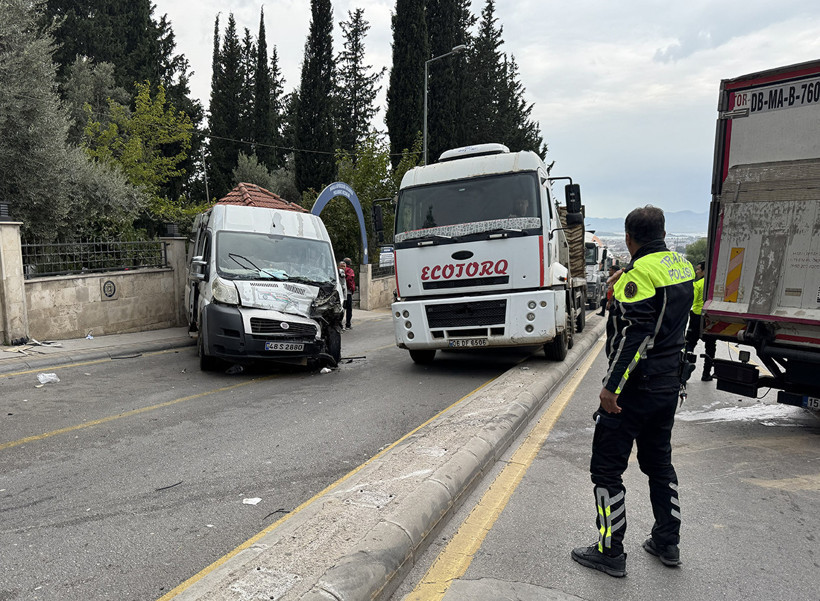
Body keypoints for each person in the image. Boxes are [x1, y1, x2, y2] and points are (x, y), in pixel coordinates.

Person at [571, 205, 694, 578]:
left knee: (606, 471)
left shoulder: (638, 277)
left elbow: (635, 337)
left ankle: (610, 551)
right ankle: (667, 541)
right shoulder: (680, 267)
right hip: (668, 386)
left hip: (635, 391)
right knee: (660, 465)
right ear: (663, 232)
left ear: (628, 237)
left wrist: (612, 388)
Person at [685, 261, 716, 381]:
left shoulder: (697, 285)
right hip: (710, 318)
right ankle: (706, 374)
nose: (696, 271)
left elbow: (690, 301)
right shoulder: (713, 284)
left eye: (698, 269)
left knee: (690, 344)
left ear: (704, 271)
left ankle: (685, 371)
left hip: (696, 316)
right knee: (710, 347)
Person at [342, 258, 355, 330]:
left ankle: (340, 325)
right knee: (349, 309)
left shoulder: (338, 270)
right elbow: (350, 280)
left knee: (341, 309)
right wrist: (352, 289)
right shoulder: (350, 271)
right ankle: (348, 324)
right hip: (348, 292)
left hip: (340, 292)